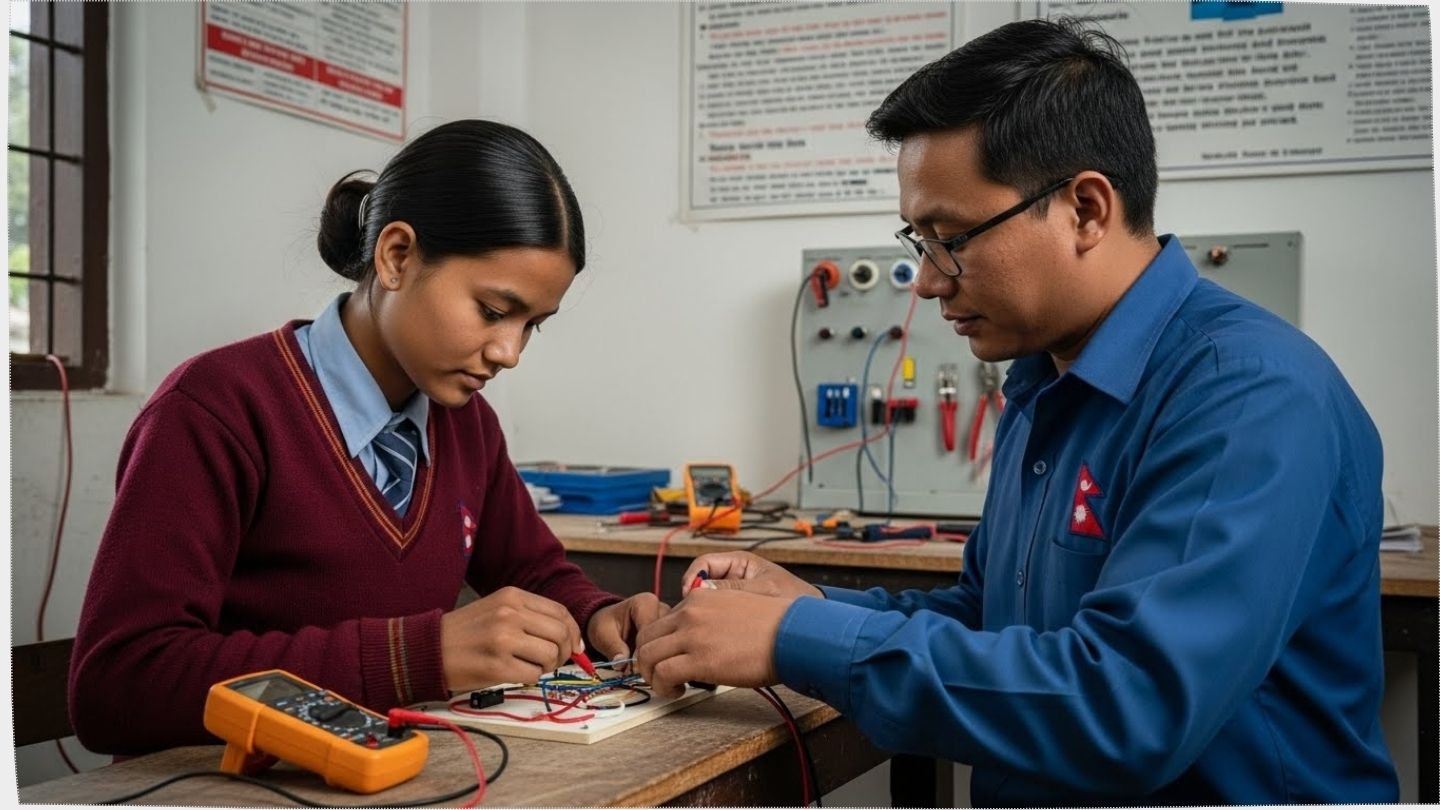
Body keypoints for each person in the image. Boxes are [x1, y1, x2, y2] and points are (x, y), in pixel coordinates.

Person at [635, 17, 1398, 805]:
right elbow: (991, 617)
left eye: (950, 237)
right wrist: (810, 606)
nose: (926, 282)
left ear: (1086, 211)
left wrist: (795, 642)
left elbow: (1128, 706)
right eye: (916, 238)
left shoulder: (1247, 395)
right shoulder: (1042, 382)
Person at [69, 120, 667, 755]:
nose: (509, 352)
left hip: (399, 775)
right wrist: (415, 657)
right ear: (397, 256)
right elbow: (117, 686)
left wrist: (596, 613)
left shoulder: (466, 424)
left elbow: (532, 568)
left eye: (533, 326)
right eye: (494, 311)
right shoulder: (217, 409)